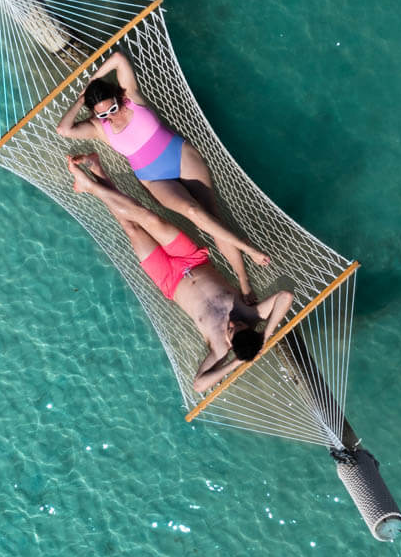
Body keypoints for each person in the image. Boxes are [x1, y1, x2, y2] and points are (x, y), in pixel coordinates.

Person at [66, 155, 293, 394]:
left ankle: (98, 172)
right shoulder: (251, 314)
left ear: (230, 343)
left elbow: (199, 385)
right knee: (148, 217)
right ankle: (91, 186)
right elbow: (285, 296)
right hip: (192, 258)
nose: (234, 322)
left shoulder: (219, 348)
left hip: (169, 280)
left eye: (231, 329)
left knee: (131, 228)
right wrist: (266, 336)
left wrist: (237, 362)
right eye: (241, 325)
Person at [56, 50, 268, 301]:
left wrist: (92, 82)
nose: (110, 115)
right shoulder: (98, 128)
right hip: (154, 177)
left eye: (112, 107)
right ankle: (247, 248)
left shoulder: (131, 97)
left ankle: (244, 282)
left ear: (117, 96)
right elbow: (64, 129)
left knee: (213, 217)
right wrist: (82, 100)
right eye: (102, 113)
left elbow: (119, 58)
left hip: (180, 155)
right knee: (192, 211)